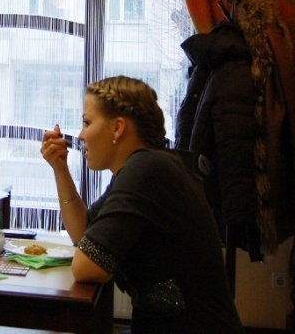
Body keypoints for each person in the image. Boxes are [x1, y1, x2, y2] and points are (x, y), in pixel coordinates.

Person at [41, 76, 243, 333]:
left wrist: (91, 254)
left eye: (87, 122)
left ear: (117, 128)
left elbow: (86, 266)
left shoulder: (147, 170)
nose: (80, 135)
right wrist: (60, 169)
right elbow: (84, 233)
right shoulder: (146, 166)